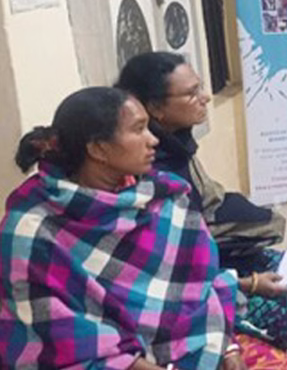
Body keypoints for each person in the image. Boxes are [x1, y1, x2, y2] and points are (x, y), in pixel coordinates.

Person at [1, 87, 257, 370]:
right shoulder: (29, 232)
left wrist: (228, 347)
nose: (153, 140)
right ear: (98, 148)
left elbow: (199, 286)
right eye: (139, 129)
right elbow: (61, 340)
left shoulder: (160, 196)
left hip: (190, 342)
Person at [115, 52, 287, 368]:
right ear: (156, 108)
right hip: (178, 295)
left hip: (202, 269)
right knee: (281, 300)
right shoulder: (144, 173)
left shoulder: (175, 146)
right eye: (191, 93)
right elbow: (164, 270)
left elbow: (203, 214)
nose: (204, 98)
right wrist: (243, 289)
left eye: (200, 87)